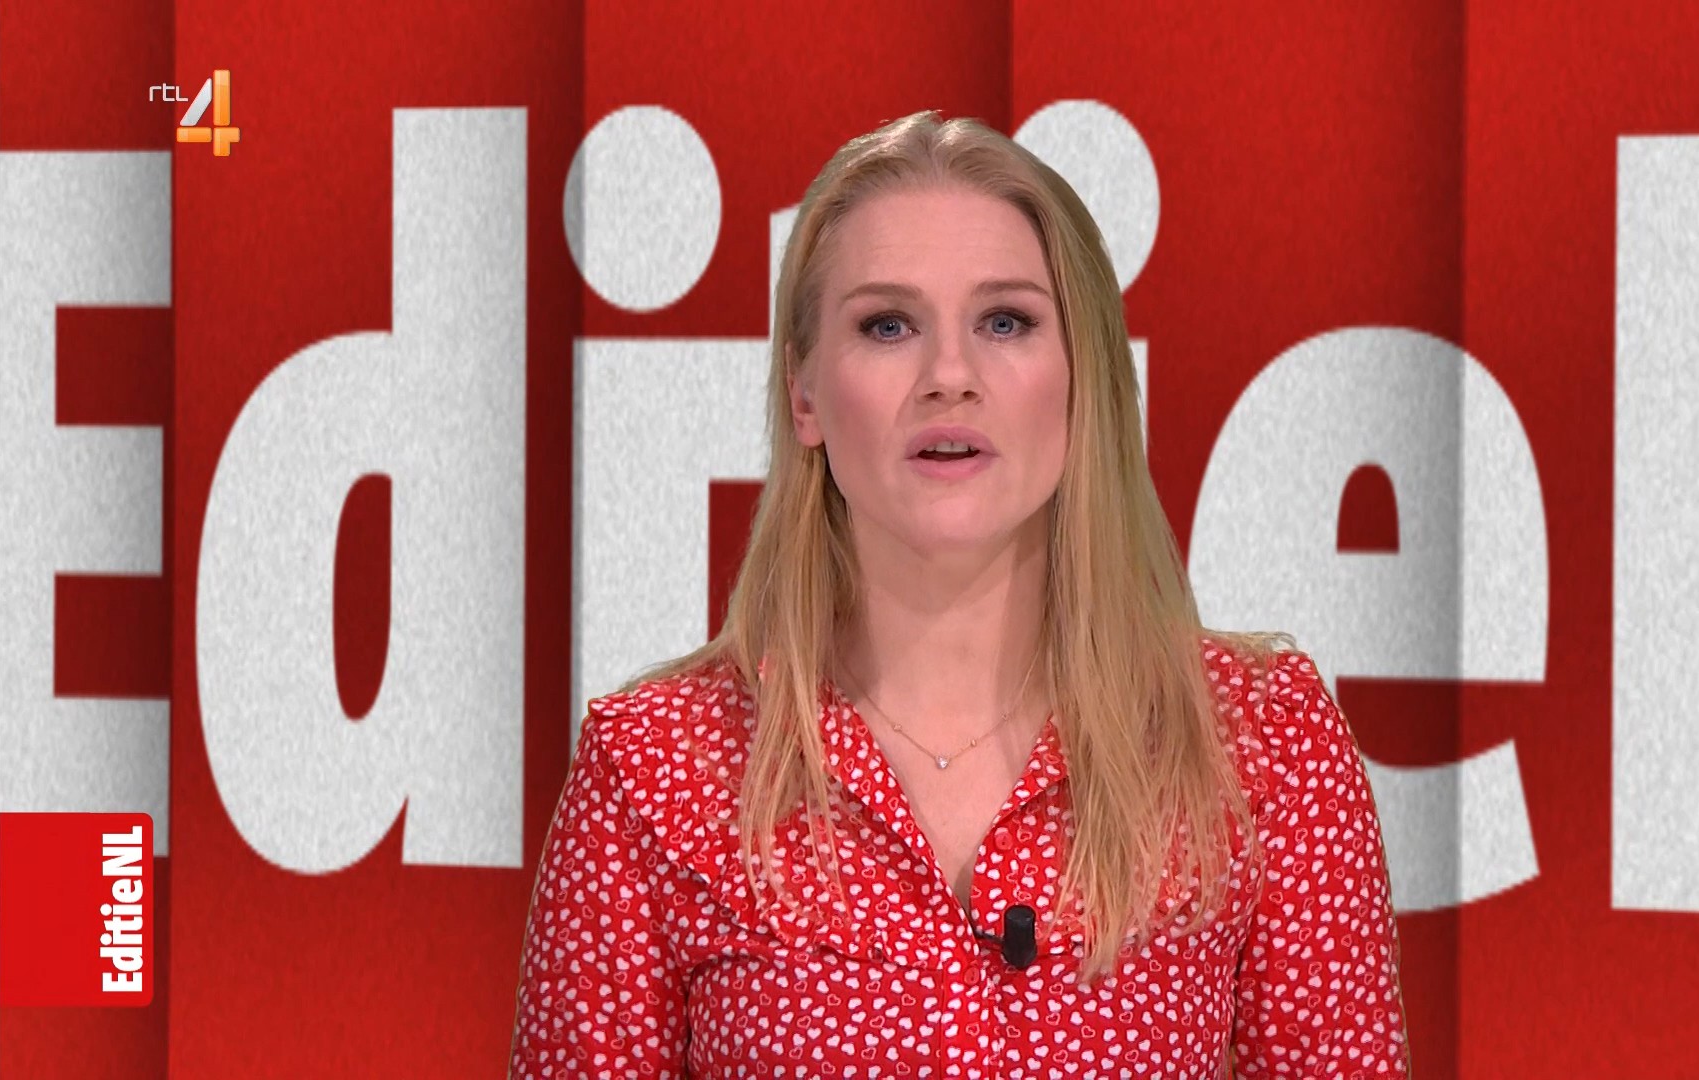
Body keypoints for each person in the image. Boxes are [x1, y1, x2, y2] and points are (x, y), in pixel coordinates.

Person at [509, 108, 1410, 1078]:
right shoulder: (653, 769)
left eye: (1005, 322)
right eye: (888, 325)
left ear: (1085, 378)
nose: (949, 376)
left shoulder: (1258, 744)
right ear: (805, 394)